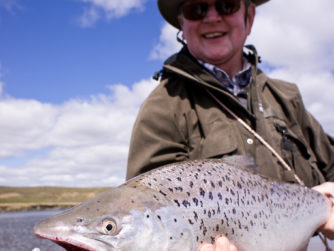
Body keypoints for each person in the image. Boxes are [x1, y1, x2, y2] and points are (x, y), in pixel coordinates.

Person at [126, 0, 334, 250]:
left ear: (250, 16)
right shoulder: (162, 106)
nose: (212, 17)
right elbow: (144, 212)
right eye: (197, 9)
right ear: (183, 23)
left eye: (227, 5)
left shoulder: (288, 97)